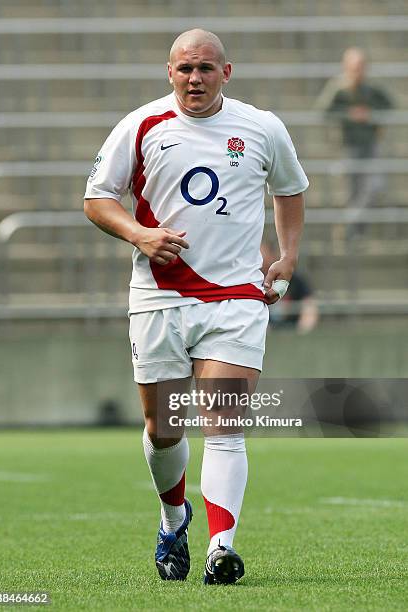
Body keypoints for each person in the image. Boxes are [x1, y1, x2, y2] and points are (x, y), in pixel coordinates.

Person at [84, 29, 308, 585]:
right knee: (164, 429)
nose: (195, 79)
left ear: (225, 73)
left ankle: (222, 548)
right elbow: (96, 199)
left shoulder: (262, 127)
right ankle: (172, 519)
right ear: (169, 71)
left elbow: (290, 189)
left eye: (206, 68)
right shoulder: (140, 125)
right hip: (159, 296)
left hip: (235, 297)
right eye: (185, 68)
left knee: (224, 425)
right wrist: (139, 234)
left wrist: (287, 256)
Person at [315, 47, 393, 237]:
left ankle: (349, 227)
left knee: (373, 186)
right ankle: (353, 232)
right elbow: (323, 111)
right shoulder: (339, 88)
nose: (358, 71)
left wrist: (372, 116)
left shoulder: (372, 88)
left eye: (361, 66)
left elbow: (390, 105)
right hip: (348, 145)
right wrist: (349, 115)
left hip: (370, 143)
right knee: (353, 190)